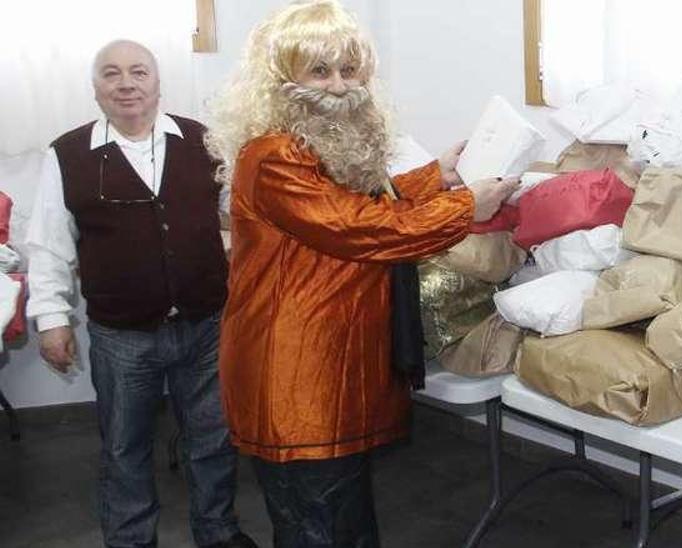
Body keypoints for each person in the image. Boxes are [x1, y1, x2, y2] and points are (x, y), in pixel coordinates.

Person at [204, 1, 517, 545]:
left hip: (329, 366)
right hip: (294, 373)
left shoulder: (315, 147)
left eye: (350, 70)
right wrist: (466, 207)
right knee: (316, 528)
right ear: (282, 79)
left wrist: (434, 176)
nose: (340, 86)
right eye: (319, 71)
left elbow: (363, 200)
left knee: (345, 522)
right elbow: (358, 226)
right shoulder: (273, 155)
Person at [26, 40, 256, 548]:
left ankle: (218, 532)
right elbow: (48, 244)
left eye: (138, 72)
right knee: (125, 449)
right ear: (96, 88)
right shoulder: (67, 154)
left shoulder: (206, 141)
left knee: (213, 441)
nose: (126, 83)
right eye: (112, 73)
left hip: (206, 327)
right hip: (122, 337)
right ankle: (130, 539)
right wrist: (52, 320)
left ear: (157, 82)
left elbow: (245, 213)